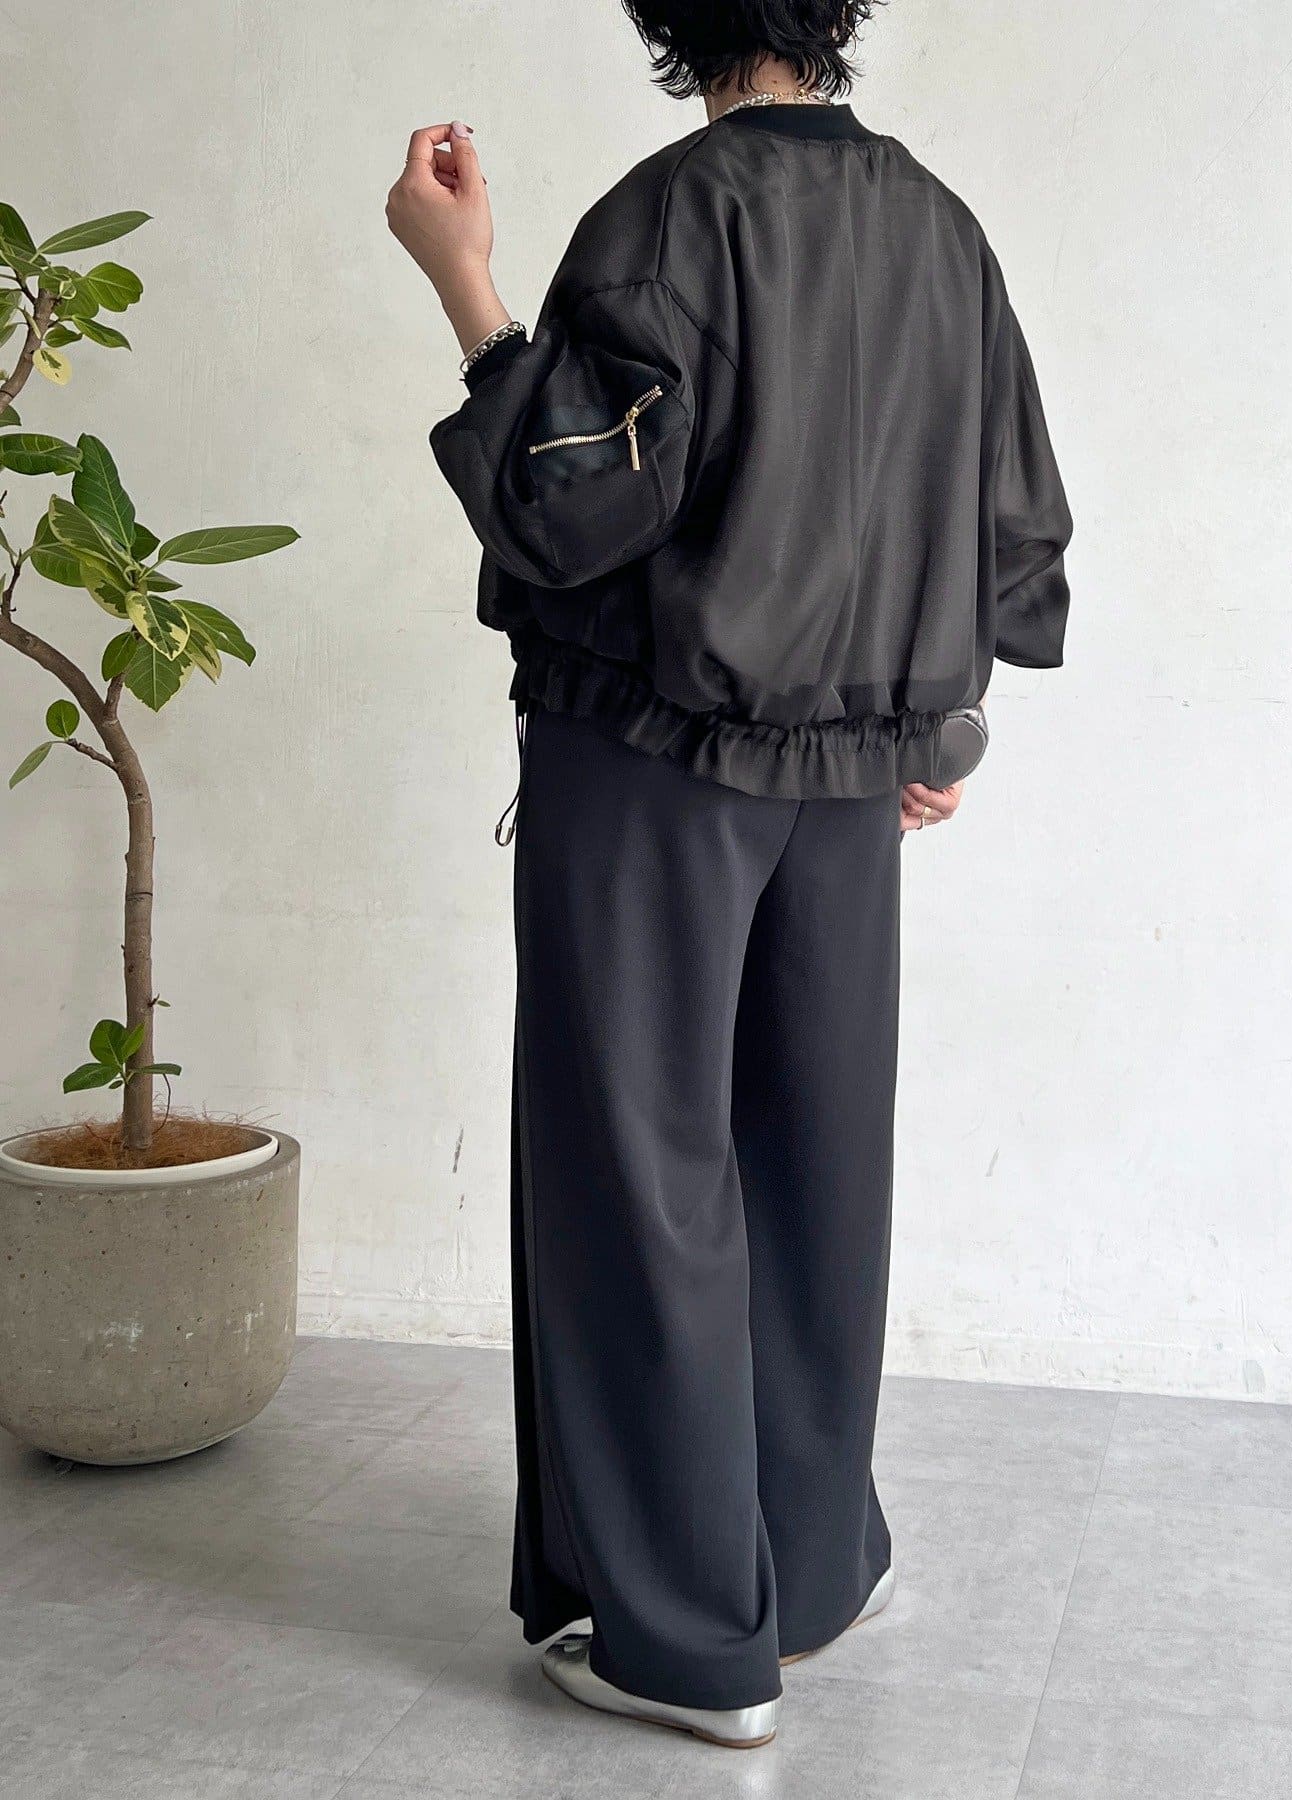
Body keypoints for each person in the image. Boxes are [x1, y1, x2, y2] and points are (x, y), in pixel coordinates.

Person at [386, 0, 1071, 1751]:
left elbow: (568, 507)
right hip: (856, 778)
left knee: (640, 1168)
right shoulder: (939, 225)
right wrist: (923, 724)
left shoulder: (670, 215)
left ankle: (687, 1642)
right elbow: (1012, 531)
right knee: (814, 1153)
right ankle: (812, 1567)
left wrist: (468, 286)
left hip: (654, 766)